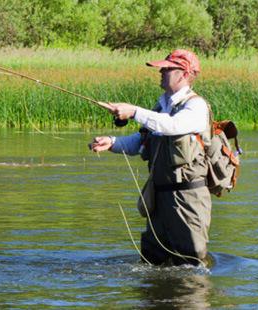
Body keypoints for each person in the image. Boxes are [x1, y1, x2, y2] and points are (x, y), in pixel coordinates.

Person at [90, 49, 212, 266]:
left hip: (187, 198)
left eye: (167, 69)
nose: (161, 72)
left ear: (183, 73)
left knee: (191, 260)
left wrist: (135, 111)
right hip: (158, 196)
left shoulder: (196, 106)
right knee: (153, 259)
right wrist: (112, 142)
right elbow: (142, 141)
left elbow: (172, 126)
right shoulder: (161, 106)